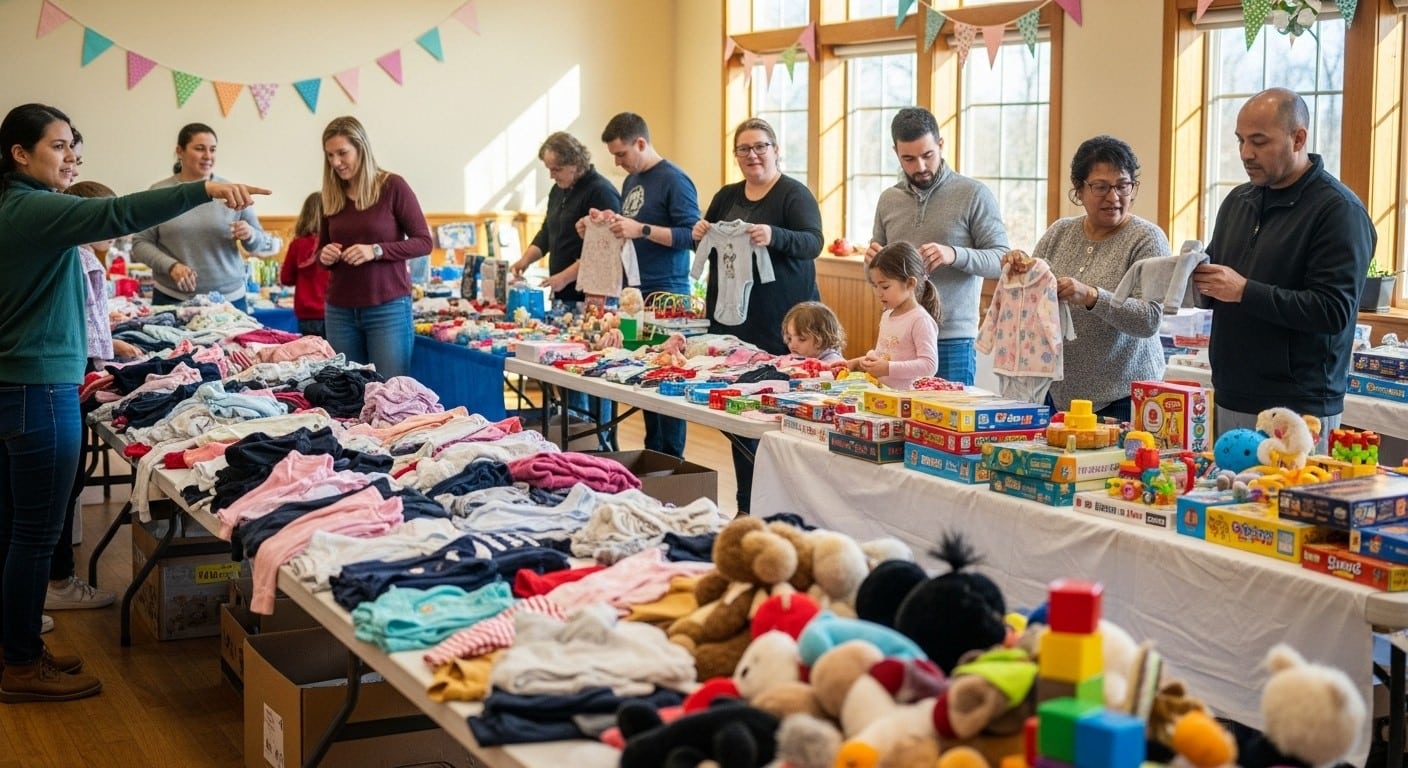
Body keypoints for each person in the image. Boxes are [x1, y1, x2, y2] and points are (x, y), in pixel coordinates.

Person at [0, 102, 266, 702]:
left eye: (74, 146)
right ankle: (19, 662)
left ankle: (18, 649)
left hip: (21, 383)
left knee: (15, 529)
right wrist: (204, 188)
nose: (71, 157)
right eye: (59, 146)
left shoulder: (15, 206)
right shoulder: (34, 207)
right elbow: (119, 212)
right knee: (33, 537)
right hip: (37, 389)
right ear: (20, 153)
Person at [1191, 88, 1374, 451]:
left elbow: (1333, 310)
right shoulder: (1237, 201)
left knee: (1292, 503)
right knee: (1231, 505)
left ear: (1299, 138)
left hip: (1299, 403)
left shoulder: (1338, 211)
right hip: (1232, 392)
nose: (1245, 153)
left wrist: (1245, 291)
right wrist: (1186, 279)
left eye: (1259, 142)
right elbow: (1220, 284)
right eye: (1241, 140)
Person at [692, 117, 823, 512]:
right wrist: (699, 233)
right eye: (744, 149)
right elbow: (709, 244)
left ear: (776, 149)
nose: (753, 155)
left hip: (784, 325)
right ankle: (747, 504)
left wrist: (775, 235)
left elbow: (813, 242)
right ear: (736, 156)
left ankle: (786, 506)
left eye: (760, 146)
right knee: (739, 419)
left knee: (778, 420)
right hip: (733, 322)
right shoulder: (727, 195)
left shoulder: (793, 195)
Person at [1001, 136, 1169, 423]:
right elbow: (1034, 294)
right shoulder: (1060, 233)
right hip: (1059, 395)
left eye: (1123, 186)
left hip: (1123, 398)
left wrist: (1093, 296)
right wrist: (1020, 269)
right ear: (1078, 190)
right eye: (1101, 187)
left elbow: (1149, 320)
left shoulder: (1147, 239)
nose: (1114, 197)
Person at [579, 112, 699, 457]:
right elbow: (628, 229)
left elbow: (691, 235)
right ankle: (652, 456)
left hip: (668, 293)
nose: (617, 162)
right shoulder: (631, 181)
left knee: (668, 378)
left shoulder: (675, 180)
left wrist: (640, 229)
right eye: (614, 156)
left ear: (641, 143)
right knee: (644, 377)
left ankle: (672, 463)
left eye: (621, 154)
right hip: (634, 293)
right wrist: (601, 226)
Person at [867, 107, 1008, 385]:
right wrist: (869, 261)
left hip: (953, 339)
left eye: (927, 155)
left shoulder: (973, 194)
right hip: (900, 340)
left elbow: (1002, 260)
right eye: (908, 158)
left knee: (952, 424)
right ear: (895, 152)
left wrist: (954, 254)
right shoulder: (888, 200)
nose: (919, 166)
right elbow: (876, 277)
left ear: (941, 145)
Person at [511, 132, 621, 449]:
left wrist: (563, 277)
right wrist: (525, 260)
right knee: (568, 370)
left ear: (574, 163)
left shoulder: (600, 191)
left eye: (556, 168)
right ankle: (573, 433)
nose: (552, 175)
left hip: (593, 297)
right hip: (564, 295)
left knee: (590, 369)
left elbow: (601, 250)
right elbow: (548, 232)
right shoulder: (559, 189)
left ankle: (597, 441)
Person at [317, 116, 433, 379]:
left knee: (391, 390)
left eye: (342, 153)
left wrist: (377, 250)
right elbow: (321, 252)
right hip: (339, 311)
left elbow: (424, 242)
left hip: (388, 309)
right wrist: (325, 256)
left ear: (361, 148)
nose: (336, 162)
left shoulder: (393, 186)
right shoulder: (330, 195)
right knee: (346, 393)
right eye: (330, 155)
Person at [131, 123, 276, 313]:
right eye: (200, 149)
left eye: (212, 149)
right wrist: (171, 266)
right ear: (179, 151)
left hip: (229, 301)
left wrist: (250, 235)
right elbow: (140, 243)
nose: (208, 156)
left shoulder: (231, 190)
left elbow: (258, 243)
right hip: (172, 299)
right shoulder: (159, 193)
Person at [845, 242, 940, 390]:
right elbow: (886, 355)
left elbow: (929, 366)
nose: (878, 293)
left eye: (885, 287)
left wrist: (888, 368)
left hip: (907, 401)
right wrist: (859, 362)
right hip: (883, 395)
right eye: (875, 286)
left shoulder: (920, 320)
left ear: (909, 283)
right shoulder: (887, 314)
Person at [279, 192, 330, 338]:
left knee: (312, 354)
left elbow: (286, 278)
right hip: (332, 311)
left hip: (306, 312)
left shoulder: (297, 244)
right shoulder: (334, 244)